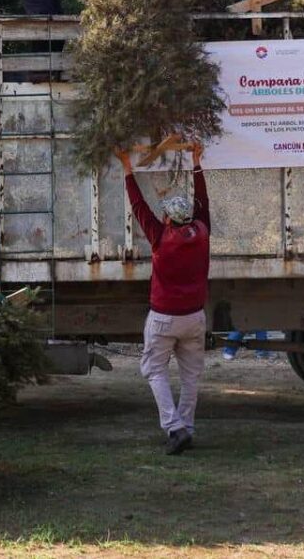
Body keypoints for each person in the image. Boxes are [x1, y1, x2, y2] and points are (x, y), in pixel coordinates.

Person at [115, 142, 210, 456]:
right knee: (191, 376)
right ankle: (186, 428)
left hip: (164, 317)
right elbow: (203, 203)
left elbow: (138, 205)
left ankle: (174, 427)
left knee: (154, 369)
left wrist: (127, 166)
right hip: (194, 316)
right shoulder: (202, 232)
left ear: (169, 219)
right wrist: (196, 162)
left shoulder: (160, 238)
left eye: (165, 213)